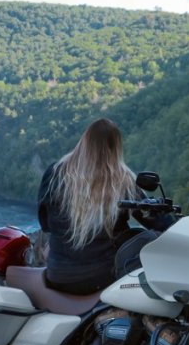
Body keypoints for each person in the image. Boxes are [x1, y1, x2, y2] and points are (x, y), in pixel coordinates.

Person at [37, 118, 168, 295]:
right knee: (150, 243)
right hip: (102, 277)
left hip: (59, 275)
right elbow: (155, 219)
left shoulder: (54, 173)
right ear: (116, 147)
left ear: (84, 142)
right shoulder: (122, 179)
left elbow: (45, 224)